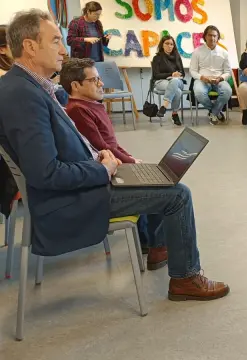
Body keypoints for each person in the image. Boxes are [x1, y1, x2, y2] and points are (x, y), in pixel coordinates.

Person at [0, 10, 229, 301]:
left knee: (163, 178)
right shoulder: (23, 95)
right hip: (71, 199)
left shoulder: (29, 86)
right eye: (56, 40)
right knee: (177, 194)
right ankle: (185, 279)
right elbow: (46, 173)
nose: (64, 49)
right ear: (30, 46)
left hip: (84, 181)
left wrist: (97, 157)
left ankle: (159, 250)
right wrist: (103, 169)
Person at [61, 58, 165, 264]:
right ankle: (155, 246)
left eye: (99, 78)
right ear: (75, 85)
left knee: (154, 178)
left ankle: (149, 241)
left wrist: (131, 159)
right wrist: (130, 163)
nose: (101, 84)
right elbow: (102, 146)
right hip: (108, 170)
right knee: (161, 190)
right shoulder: (78, 110)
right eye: (94, 80)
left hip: (114, 163)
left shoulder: (90, 105)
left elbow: (112, 143)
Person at [190, 25, 232, 125]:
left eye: (215, 36)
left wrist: (221, 78)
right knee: (199, 92)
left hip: (219, 80)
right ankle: (216, 111)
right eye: (210, 35)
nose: (212, 38)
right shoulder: (197, 52)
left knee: (227, 91)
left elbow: (228, 72)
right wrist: (202, 77)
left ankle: (213, 113)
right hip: (202, 79)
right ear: (205, 36)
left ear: (218, 38)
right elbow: (193, 71)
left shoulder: (224, 53)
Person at [152, 35, 186, 126]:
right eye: (167, 43)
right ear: (162, 45)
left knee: (175, 81)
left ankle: (164, 106)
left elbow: (183, 73)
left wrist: (177, 75)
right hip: (161, 82)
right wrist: (171, 75)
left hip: (178, 81)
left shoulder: (177, 57)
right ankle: (174, 114)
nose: (169, 46)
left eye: (171, 44)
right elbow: (156, 75)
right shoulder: (157, 58)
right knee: (177, 92)